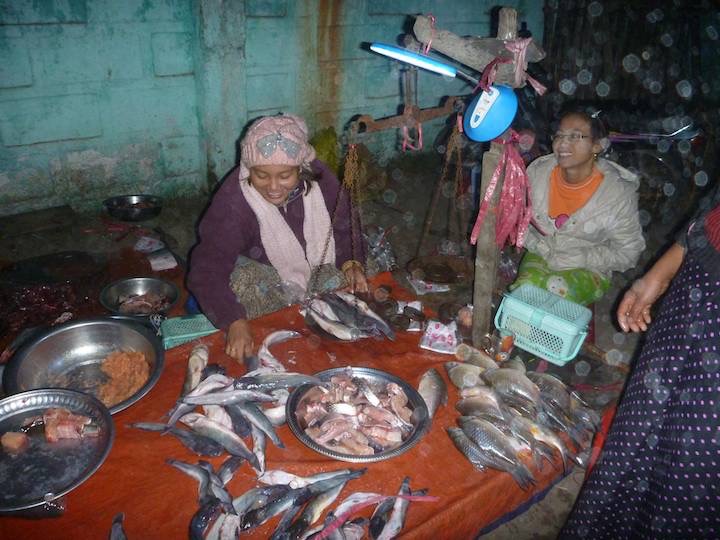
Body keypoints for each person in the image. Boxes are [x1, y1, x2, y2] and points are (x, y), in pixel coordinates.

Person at [560, 188, 720, 538]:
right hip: (697, 286)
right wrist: (661, 272)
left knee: (693, 477)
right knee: (634, 436)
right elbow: (714, 205)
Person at [187, 114, 368, 362]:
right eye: (261, 175)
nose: (273, 187)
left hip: (317, 262)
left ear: (301, 167)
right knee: (245, 287)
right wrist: (233, 321)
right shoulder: (234, 201)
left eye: (285, 176)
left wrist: (351, 261)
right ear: (248, 168)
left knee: (363, 276)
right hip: (266, 272)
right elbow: (207, 268)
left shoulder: (320, 179)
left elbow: (346, 225)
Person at [511, 107, 646, 305]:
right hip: (541, 252)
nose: (563, 142)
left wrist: (580, 257)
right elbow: (517, 221)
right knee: (525, 291)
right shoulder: (538, 174)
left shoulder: (616, 195)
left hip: (590, 267)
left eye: (576, 136)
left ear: (597, 146)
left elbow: (629, 252)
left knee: (556, 295)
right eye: (559, 135)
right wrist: (537, 245)